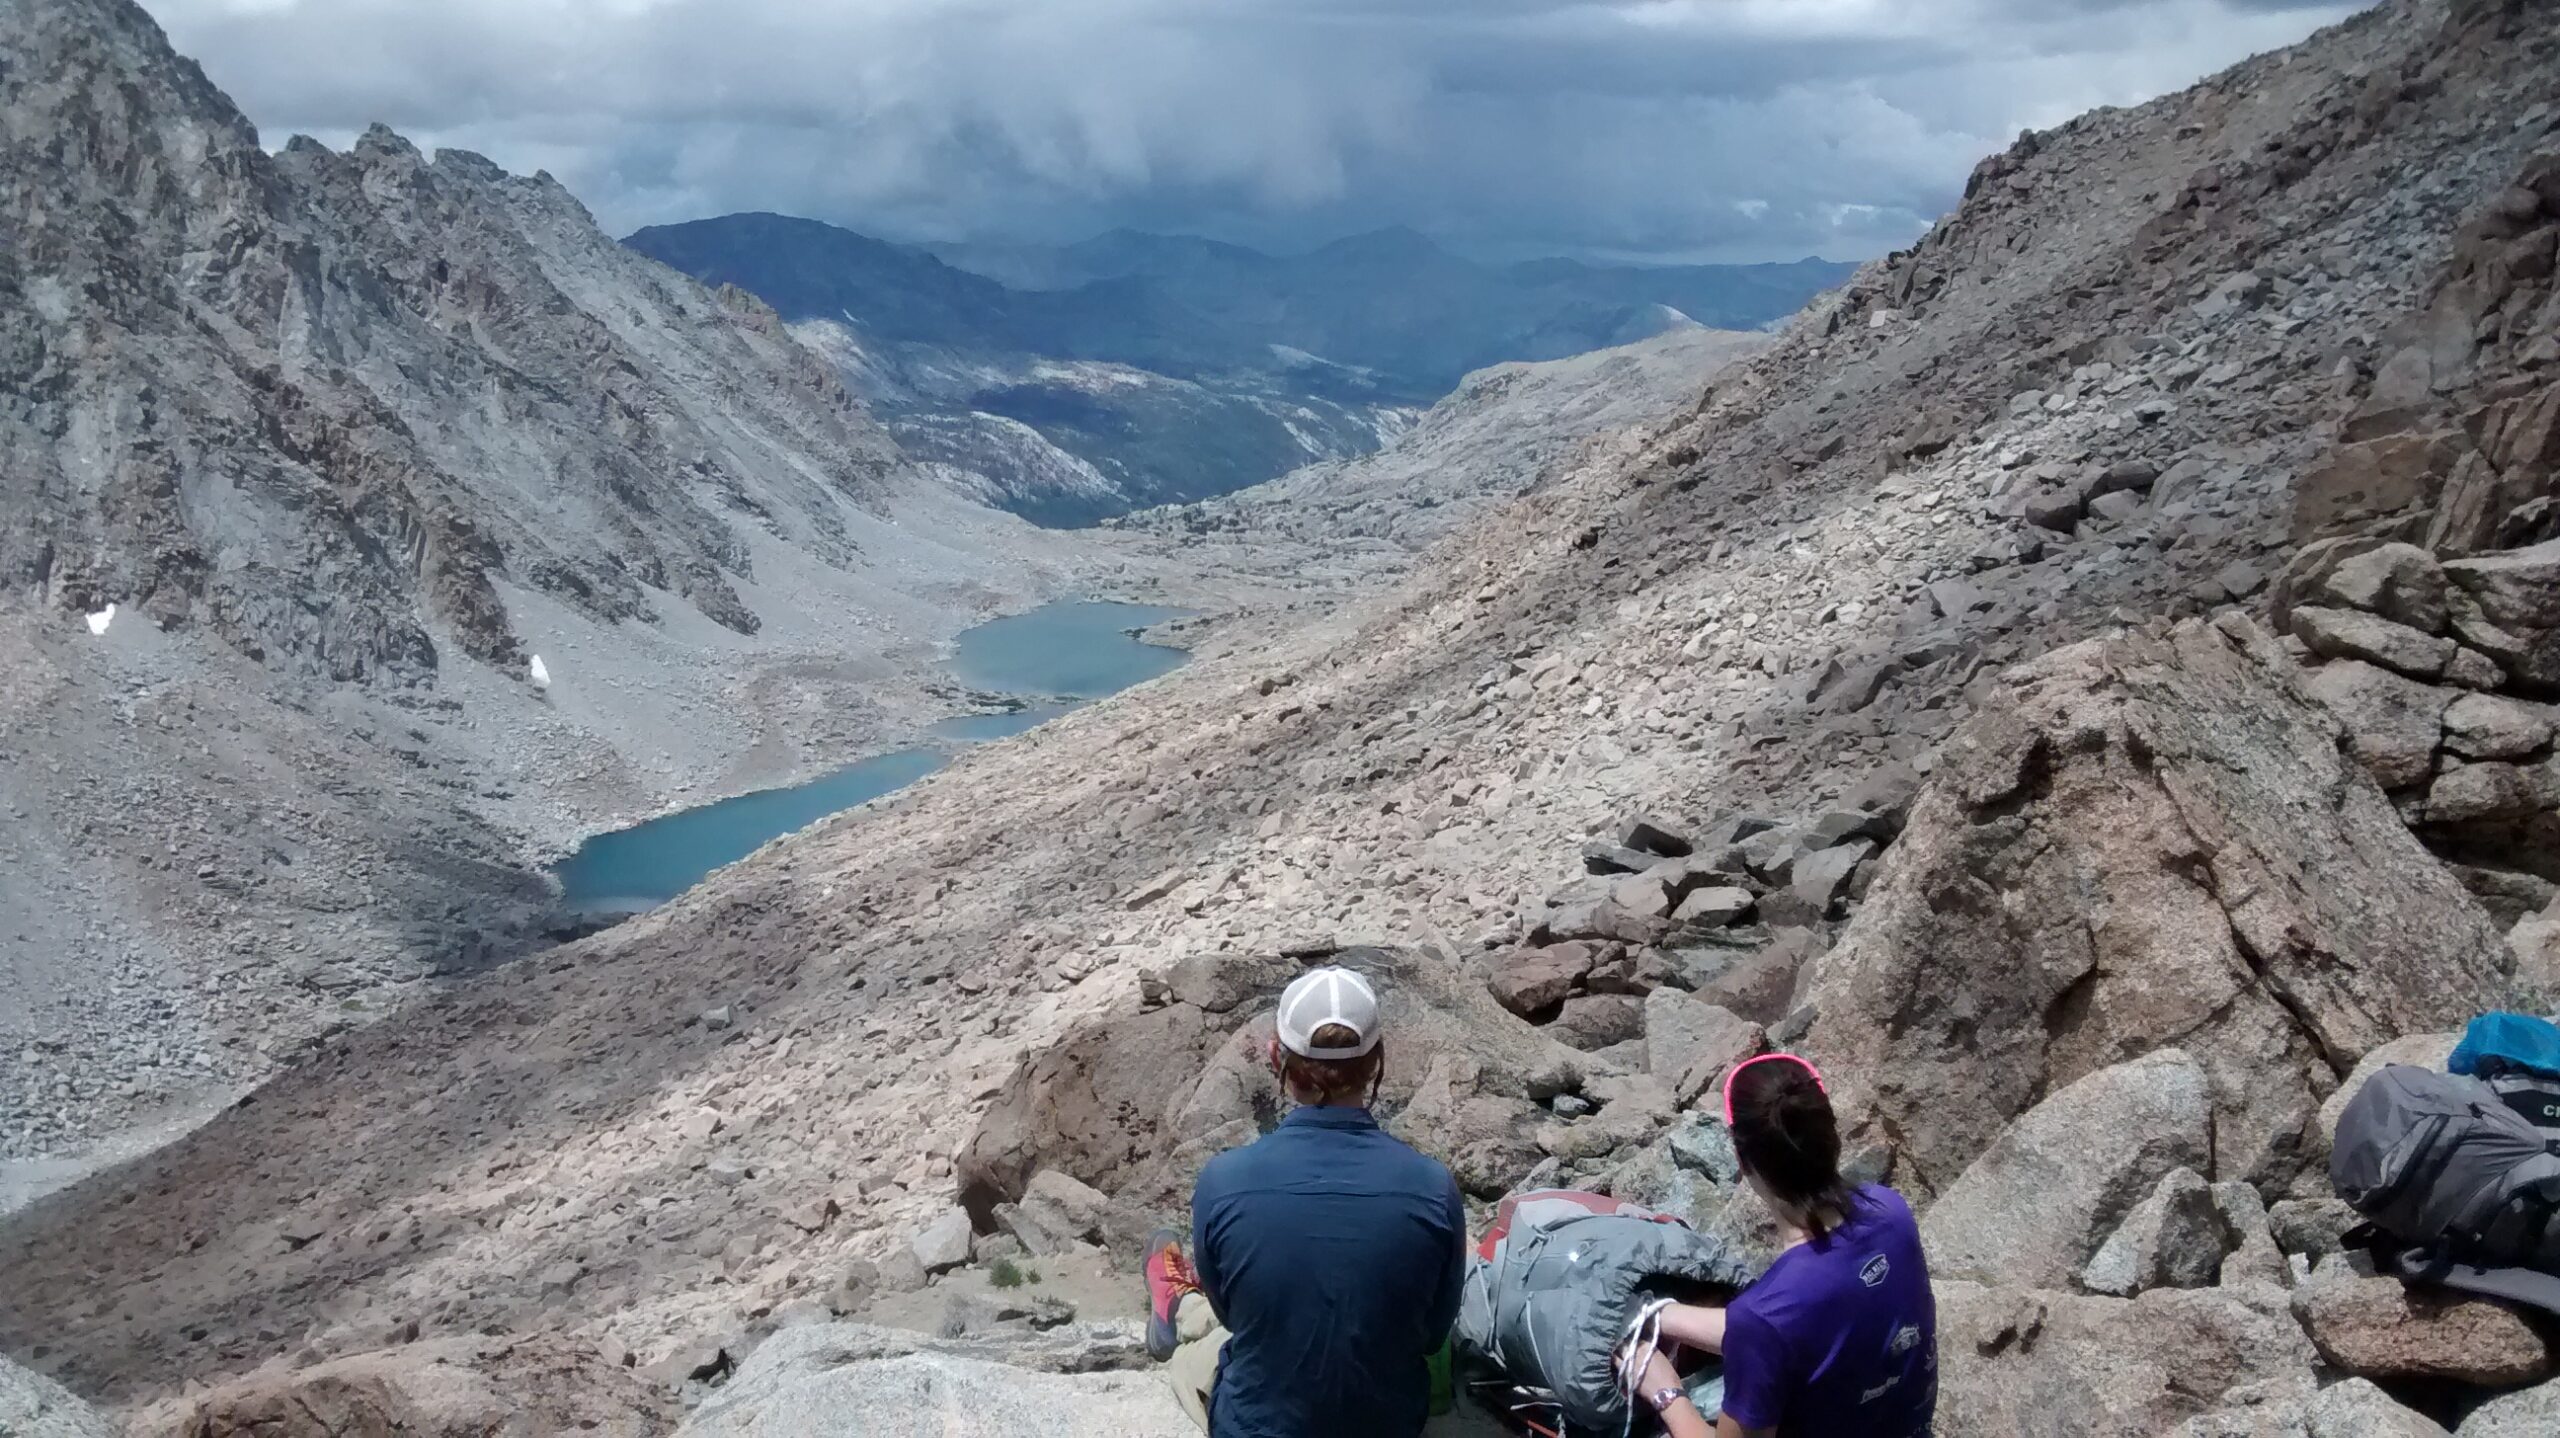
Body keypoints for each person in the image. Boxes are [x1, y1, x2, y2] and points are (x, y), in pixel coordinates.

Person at [1141, 965, 1468, 1437]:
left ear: (1277, 1057)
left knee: (1205, 1351)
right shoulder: (1434, 1187)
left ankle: (1176, 1304)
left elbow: (1236, 1316)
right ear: (1376, 1061)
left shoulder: (1223, 1179)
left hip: (1258, 1424)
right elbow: (1434, 1334)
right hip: (1388, 1423)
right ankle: (1180, 1306)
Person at [1626, 1052, 1937, 1438]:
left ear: (1742, 1160)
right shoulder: (1893, 1212)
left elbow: (1776, 1327)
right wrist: (1660, 1315)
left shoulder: (1764, 1319)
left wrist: (1665, 1392)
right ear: (1832, 1137)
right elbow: (1811, 1324)